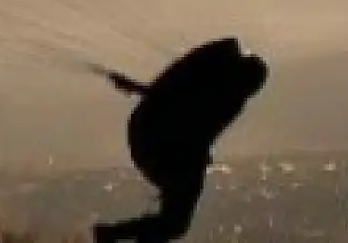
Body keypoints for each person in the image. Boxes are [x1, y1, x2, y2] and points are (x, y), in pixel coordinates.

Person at [92, 37, 269, 243]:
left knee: (173, 223)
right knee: (174, 223)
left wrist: (138, 88)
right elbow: (180, 108)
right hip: (163, 148)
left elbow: (177, 102)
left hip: (156, 144)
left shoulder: (222, 93)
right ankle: (110, 234)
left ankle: (112, 234)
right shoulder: (224, 98)